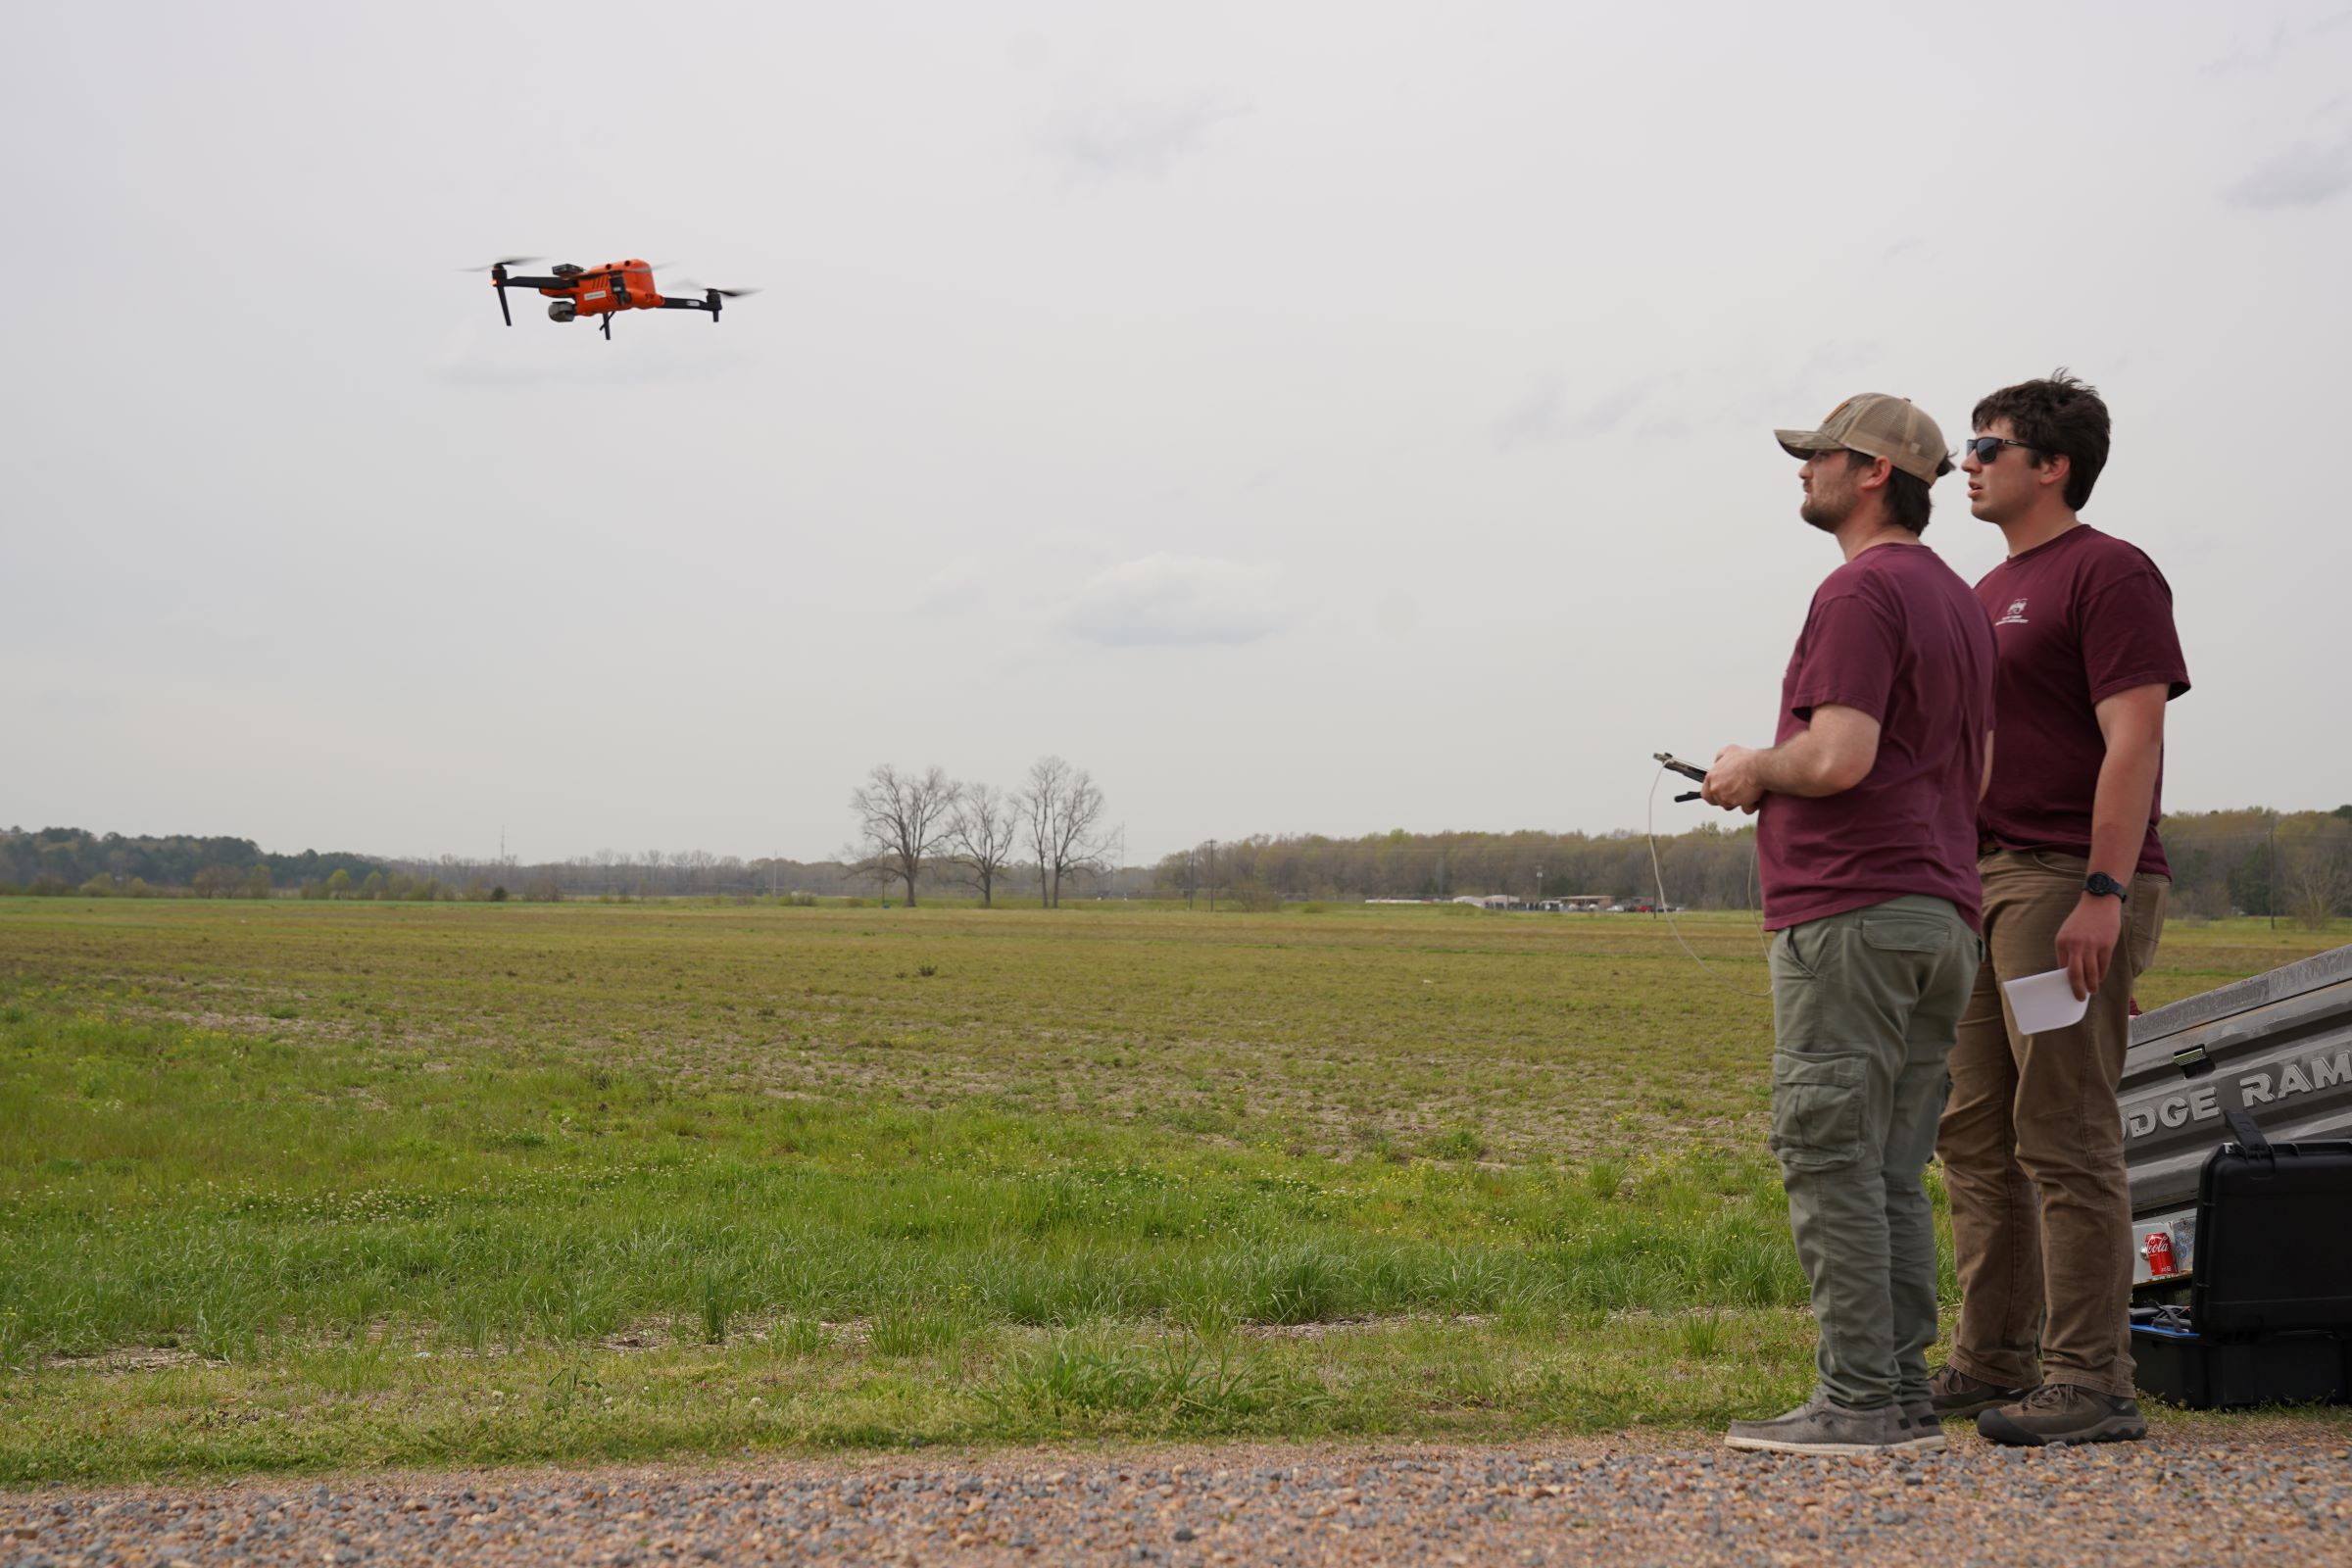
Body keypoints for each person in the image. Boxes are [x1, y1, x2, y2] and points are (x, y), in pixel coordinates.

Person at [1702, 394, 1995, 1457]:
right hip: (1940, 912)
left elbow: (1836, 757)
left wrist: (1748, 768)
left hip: (1853, 910)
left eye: (1817, 455)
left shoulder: (1861, 591)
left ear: (1874, 471)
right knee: (1889, 1161)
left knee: (1828, 1146)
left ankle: (1859, 1398)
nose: (1802, 472)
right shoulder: (1959, 602)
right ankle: (1902, 1392)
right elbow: (1983, 773)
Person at [1932, 372, 2189, 1446]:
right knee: (1972, 1131)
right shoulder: (1983, 593)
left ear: (2054, 465)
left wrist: (2103, 890)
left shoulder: (2109, 571)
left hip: (2063, 883)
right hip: (1985, 883)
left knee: (2064, 1130)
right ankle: (1991, 1355)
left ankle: (2092, 1378)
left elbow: (2134, 739)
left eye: (1987, 445)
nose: (1968, 462)